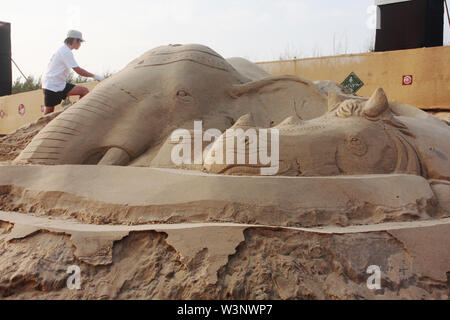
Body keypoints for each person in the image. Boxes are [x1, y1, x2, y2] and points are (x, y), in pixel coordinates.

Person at [41, 30, 104, 115]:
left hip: (58, 84)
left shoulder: (64, 50)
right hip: (52, 85)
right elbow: (79, 71)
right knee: (48, 114)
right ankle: (72, 115)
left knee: (84, 91)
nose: (80, 44)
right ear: (74, 40)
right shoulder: (65, 51)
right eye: (80, 41)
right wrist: (95, 76)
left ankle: (74, 115)